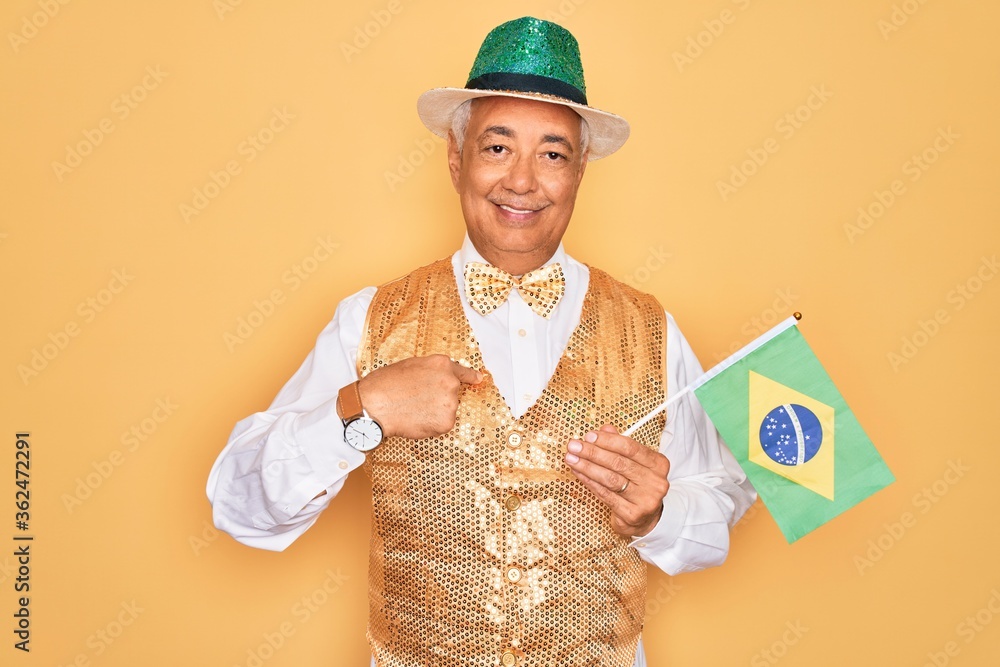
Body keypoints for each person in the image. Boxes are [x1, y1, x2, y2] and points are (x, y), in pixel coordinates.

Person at [207, 16, 756, 667]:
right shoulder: (371, 318)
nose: (522, 180)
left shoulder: (649, 327)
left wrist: (658, 515)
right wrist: (365, 405)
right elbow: (241, 508)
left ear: (580, 171)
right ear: (455, 158)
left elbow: (722, 499)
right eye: (498, 148)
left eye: (552, 153)